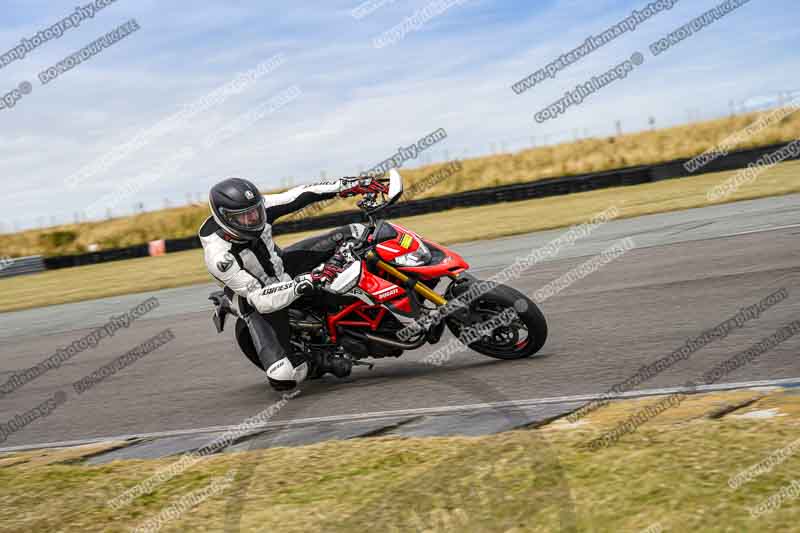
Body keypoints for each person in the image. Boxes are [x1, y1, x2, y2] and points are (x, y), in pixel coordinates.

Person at [199, 176, 387, 391]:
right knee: (284, 378)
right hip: (256, 298)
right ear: (225, 219)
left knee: (354, 233)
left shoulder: (261, 207)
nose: (253, 218)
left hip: (282, 267)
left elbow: (302, 194)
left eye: (255, 211)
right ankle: (319, 359)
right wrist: (307, 281)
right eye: (244, 217)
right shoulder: (219, 256)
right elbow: (261, 298)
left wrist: (350, 185)